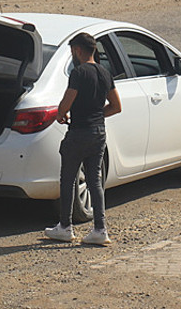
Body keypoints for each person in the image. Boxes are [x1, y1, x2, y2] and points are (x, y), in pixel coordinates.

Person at [44, 32, 121, 245]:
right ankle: (99, 229)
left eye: (72, 51)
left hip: (78, 132)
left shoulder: (79, 73)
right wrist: (97, 114)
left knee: (68, 179)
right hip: (98, 132)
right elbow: (116, 106)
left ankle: (65, 227)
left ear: (78, 50)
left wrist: (61, 113)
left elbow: (67, 103)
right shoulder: (105, 73)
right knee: (95, 180)